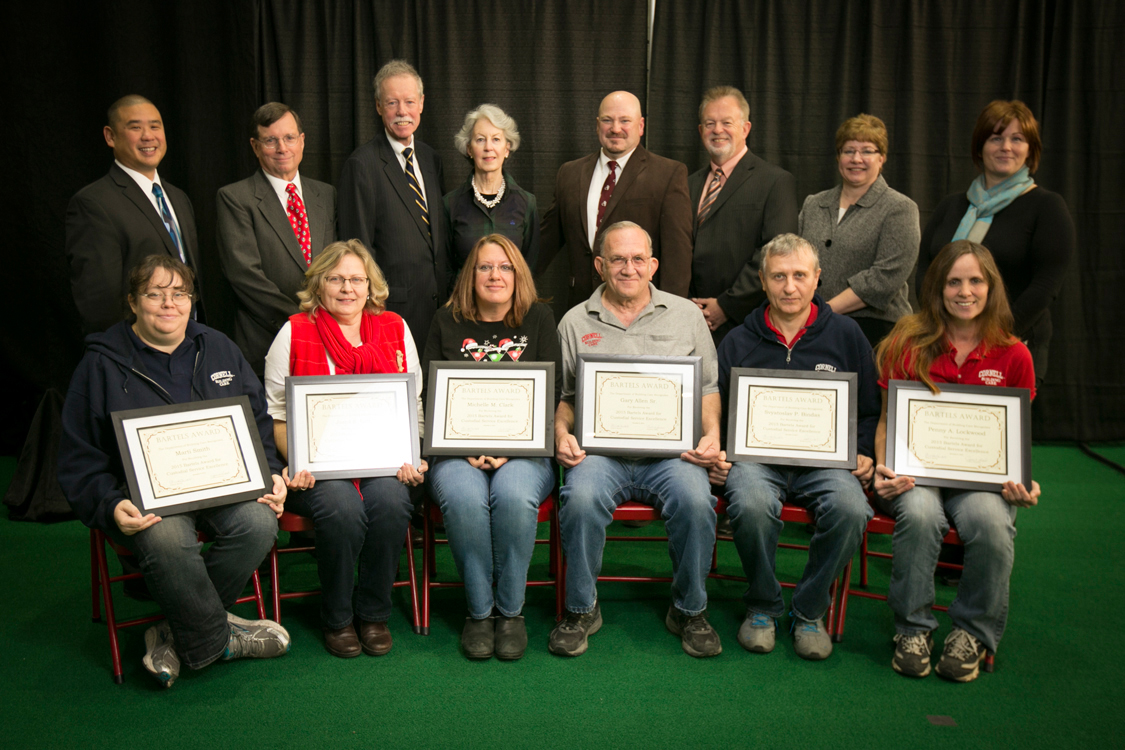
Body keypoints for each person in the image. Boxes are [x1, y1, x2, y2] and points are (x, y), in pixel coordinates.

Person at [58, 255, 290, 688]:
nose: (169, 304)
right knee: (165, 539)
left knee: (259, 524)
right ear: (133, 302)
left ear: (192, 300)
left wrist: (271, 471)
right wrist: (109, 505)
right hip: (145, 495)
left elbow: (257, 422)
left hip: (224, 483)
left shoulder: (219, 348)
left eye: (179, 293)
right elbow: (78, 457)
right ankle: (217, 639)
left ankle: (175, 630)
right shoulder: (100, 364)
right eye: (154, 294)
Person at [549, 221, 722, 659]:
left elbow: (707, 388)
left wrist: (713, 434)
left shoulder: (686, 316)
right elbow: (567, 397)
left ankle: (689, 610)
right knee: (580, 498)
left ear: (653, 264)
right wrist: (561, 432)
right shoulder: (574, 321)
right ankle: (581, 609)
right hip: (600, 455)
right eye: (618, 259)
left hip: (672, 456)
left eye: (638, 259)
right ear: (599, 265)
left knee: (696, 500)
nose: (629, 268)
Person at [874, 240, 1039, 683]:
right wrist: (885, 467)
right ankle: (913, 629)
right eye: (953, 282)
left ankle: (971, 633)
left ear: (991, 287)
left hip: (979, 483)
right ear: (937, 287)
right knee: (920, 514)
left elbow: (1015, 439)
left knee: (991, 522)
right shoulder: (906, 342)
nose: (965, 292)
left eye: (975, 281)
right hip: (916, 475)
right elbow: (887, 422)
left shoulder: (1014, 355)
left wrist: (1024, 480)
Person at [709, 233, 879, 660]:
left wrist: (864, 451)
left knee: (851, 508)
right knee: (749, 503)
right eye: (778, 276)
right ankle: (763, 605)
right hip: (756, 462)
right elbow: (717, 409)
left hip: (827, 463)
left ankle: (809, 609)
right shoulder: (737, 341)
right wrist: (721, 451)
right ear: (763, 281)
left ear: (817, 278)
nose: (790, 287)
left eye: (800, 275)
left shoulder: (847, 335)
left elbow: (870, 410)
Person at [264, 239, 425, 658]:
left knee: (392, 502)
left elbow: (412, 404)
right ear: (319, 284)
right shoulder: (293, 332)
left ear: (371, 286)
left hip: (382, 463)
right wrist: (297, 462)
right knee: (342, 509)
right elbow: (278, 417)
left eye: (357, 279)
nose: (347, 288)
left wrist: (412, 455)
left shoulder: (394, 328)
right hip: (318, 470)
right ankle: (337, 617)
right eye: (336, 279)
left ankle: (373, 613)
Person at [422, 234, 561, 661]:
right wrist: (462, 446)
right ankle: (480, 612)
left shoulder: (539, 319)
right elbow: (431, 395)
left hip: (524, 451)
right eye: (485, 266)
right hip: (455, 451)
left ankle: (511, 611)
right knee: (464, 498)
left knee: (513, 495)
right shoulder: (445, 321)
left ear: (518, 274)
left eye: (504, 267)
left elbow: (551, 395)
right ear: (471, 274)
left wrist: (512, 449)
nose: (495, 275)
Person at [917, 100, 1075, 382]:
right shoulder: (950, 206)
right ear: (980, 147)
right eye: (996, 138)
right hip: (942, 345)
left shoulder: (1047, 207)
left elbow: (1045, 285)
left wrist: (992, 336)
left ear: (1030, 150)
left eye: (1017, 139)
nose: (1006, 147)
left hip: (1011, 345)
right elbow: (925, 271)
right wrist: (938, 328)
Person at [537, 91, 694, 308]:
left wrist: (669, 313)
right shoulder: (570, 173)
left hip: (642, 310)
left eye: (625, 121)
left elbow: (678, 257)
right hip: (581, 307)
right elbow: (544, 243)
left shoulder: (668, 174)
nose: (616, 128)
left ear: (640, 126)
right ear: (597, 125)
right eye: (607, 120)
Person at [217, 102, 337, 380]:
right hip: (267, 341)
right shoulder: (235, 198)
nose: (282, 148)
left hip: (329, 343)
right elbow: (244, 276)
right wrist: (303, 323)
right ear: (255, 146)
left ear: (302, 141)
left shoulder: (326, 194)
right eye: (270, 140)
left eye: (289, 138)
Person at [67, 95, 203, 335]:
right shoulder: (94, 203)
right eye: (135, 127)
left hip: (189, 339)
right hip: (137, 348)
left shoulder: (178, 198)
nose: (148, 136)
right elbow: (99, 303)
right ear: (110, 136)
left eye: (155, 126)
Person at [338, 60, 448, 351]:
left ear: (421, 103)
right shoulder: (361, 165)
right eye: (392, 103)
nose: (402, 111)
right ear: (378, 106)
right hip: (391, 312)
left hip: (441, 310)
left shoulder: (431, 159)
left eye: (409, 101)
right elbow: (358, 248)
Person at [798, 114, 920, 348]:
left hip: (876, 333)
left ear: (882, 158)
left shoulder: (900, 208)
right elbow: (797, 262)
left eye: (867, 151)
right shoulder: (813, 204)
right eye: (849, 151)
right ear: (838, 156)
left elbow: (884, 279)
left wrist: (822, 312)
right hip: (813, 328)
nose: (856, 159)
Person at [689, 86, 798, 347]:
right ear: (700, 130)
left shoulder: (775, 181)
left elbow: (775, 253)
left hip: (745, 324)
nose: (717, 130)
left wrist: (726, 305)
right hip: (690, 320)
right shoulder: (687, 183)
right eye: (710, 123)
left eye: (727, 123)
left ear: (745, 128)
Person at [444, 105, 540, 276]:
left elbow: (529, 268)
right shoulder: (450, 204)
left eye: (496, 139)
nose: (488, 147)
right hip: (464, 294)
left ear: (507, 148)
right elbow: (445, 268)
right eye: (480, 139)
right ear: (469, 149)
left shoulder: (526, 203)